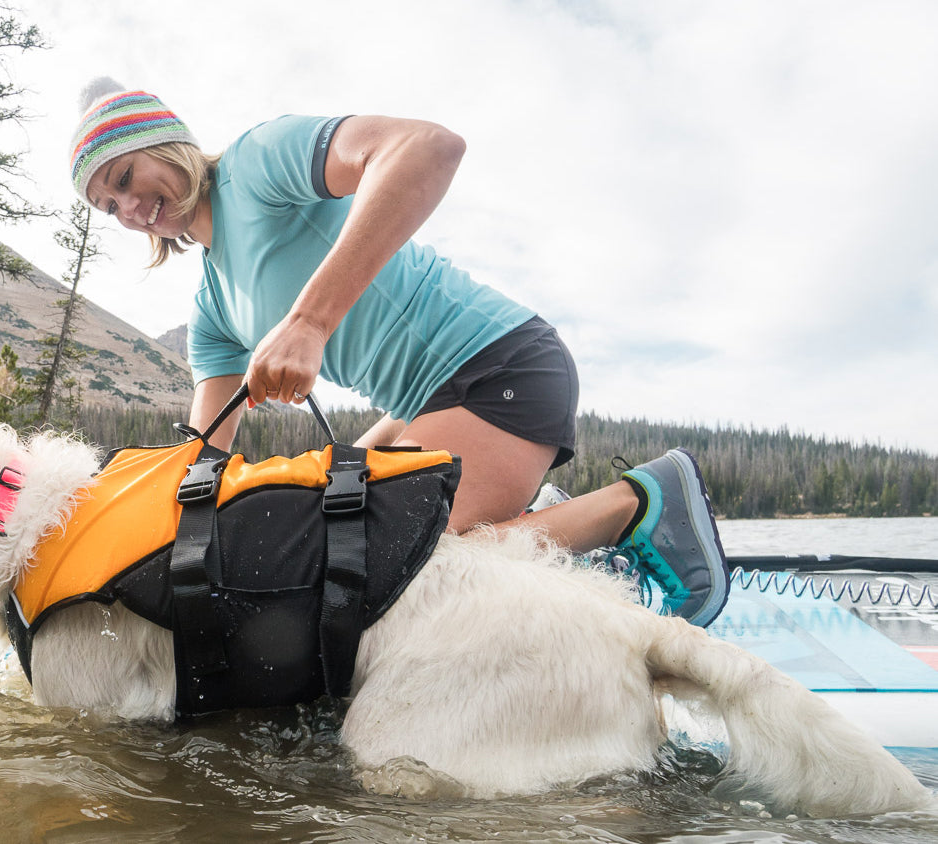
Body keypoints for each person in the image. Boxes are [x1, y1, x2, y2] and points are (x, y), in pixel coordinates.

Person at [68, 81, 729, 627]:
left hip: (500, 364)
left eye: (126, 176)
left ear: (166, 143)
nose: (129, 207)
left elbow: (428, 148)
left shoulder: (256, 163)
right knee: (336, 529)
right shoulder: (214, 309)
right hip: (430, 402)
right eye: (107, 205)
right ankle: (549, 526)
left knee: (405, 565)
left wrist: (307, 323)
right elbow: (201, 454)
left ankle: (639, 503)